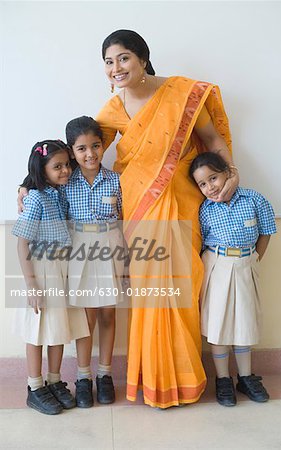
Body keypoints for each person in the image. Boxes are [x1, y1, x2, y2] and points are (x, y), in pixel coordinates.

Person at [95, 29, 239, 408]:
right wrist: (34, 181)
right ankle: (154, 380)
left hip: (183, 202)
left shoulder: (182, 93)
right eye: (109, 62)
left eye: (123, 58)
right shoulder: (112, 109)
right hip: (141, 209)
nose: (116, 68)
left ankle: (186, 377)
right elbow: (86, 154)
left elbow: (214, 140)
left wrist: (233, 173)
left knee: (182, 289)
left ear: (142, 58)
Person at [189, 151, 276, 406]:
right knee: (219, 324)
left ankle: (246, 378)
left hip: (246, 264)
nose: (209, 187)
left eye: (213, 178)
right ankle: (223, 379)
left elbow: (266, 232)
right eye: (202, 184)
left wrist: (255, 259)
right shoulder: (205, 210)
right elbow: (202, 240)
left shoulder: (254, 199)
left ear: (228, 173)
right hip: (217, 265)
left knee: (244, 322)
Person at [12, 140, 90, 415]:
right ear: (41, 169)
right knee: (37, 330)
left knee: (58, 327)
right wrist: (32, 283)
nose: (65, 171)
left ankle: (54, 380)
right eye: (57, 167)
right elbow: (22, 243)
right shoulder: (34, 198)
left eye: (66, 165)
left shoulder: (59, 193)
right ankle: (34, 386)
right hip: (42, 270)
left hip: (62, 268)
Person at [64, 116, 124, 406]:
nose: (90, 154)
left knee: (108, 314)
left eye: (96, 146)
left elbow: (125, 221)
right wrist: (22, 189)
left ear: (103, 145)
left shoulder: (116, 180)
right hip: (79, 249)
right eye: (82, 148)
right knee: (86, 317)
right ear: (71, 151)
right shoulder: (66, 182)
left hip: (110, 246)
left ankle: (105, 374)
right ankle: (84, 376)